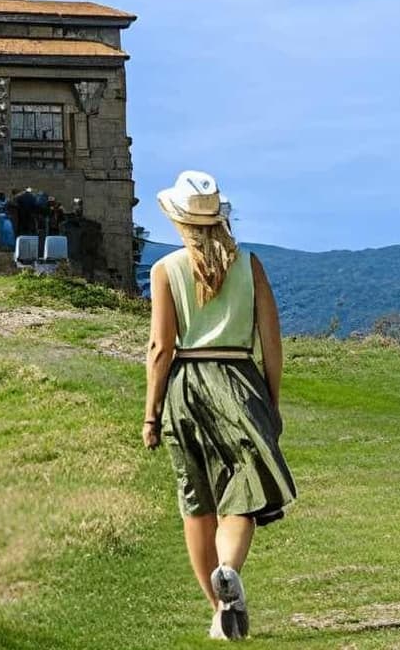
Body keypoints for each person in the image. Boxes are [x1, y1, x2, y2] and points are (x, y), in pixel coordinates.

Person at [143, 171, 295, 641]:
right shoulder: (251, 266)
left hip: (187, 383)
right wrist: (270, 400)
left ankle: (216, 611)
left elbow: (160, 348)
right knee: (242, 493)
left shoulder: (165, 271)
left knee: (196, 500)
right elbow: (271, 339)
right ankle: (228, 568)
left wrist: (151, 412)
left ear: (178, 220)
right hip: (240, 380)